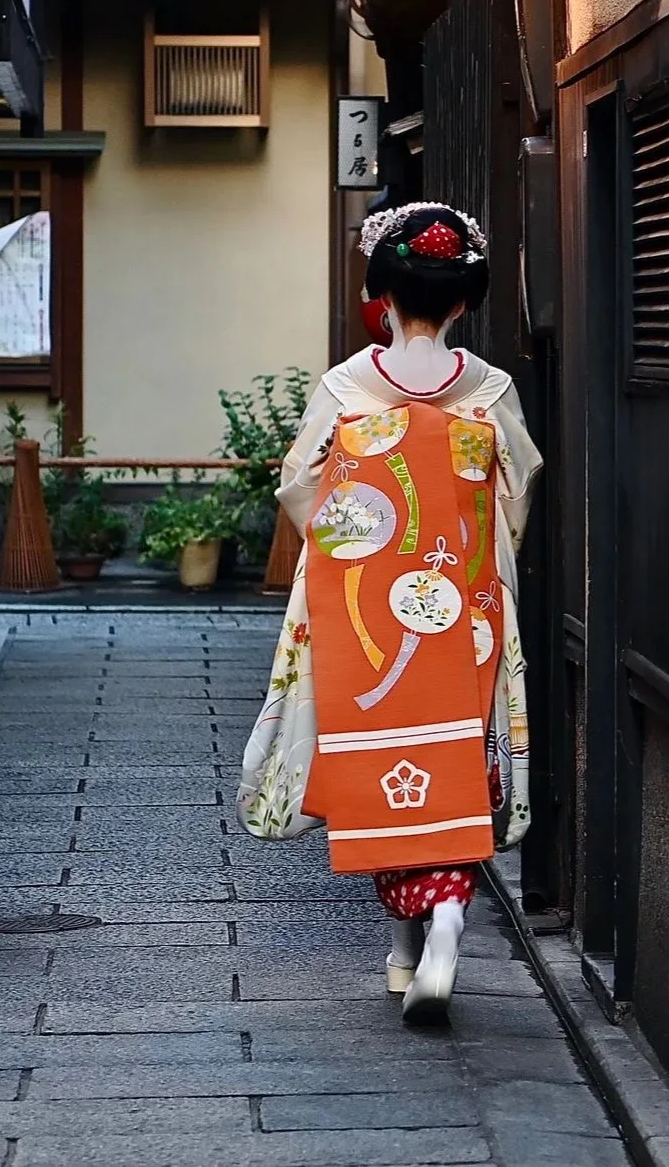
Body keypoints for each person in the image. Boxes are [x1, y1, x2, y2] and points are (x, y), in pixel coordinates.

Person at [238, 202, 541, 1024]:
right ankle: (435, 925)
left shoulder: (346, 388)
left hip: (361, 612)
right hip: (463, 602)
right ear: (462, 302)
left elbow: (300, 488)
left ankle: (413, 944)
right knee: (453, 756)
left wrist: (362, 551)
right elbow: (513, 494)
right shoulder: (490, 389)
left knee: (379, 760)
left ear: (380, 296)